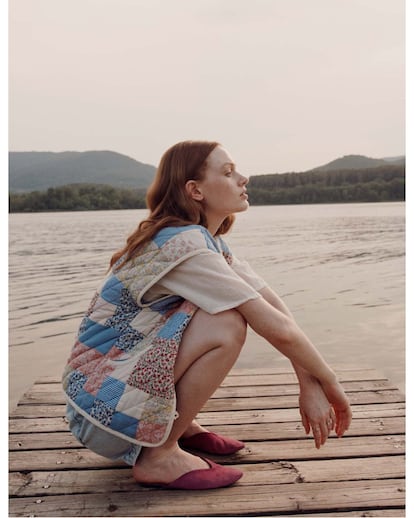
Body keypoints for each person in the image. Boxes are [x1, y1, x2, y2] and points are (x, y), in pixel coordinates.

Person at [62, 140, 352, 490]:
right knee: (226, 322)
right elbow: (274, 327)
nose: (243, 179)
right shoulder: (182, 246)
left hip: (106, 403)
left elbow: (275, 308)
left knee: (225, 311)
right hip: (102, 412)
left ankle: (175, 428)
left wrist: (308, 381)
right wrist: (331, 384)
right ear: (195, 190)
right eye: (228, 173)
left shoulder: (208, 243)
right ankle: (159, 455)